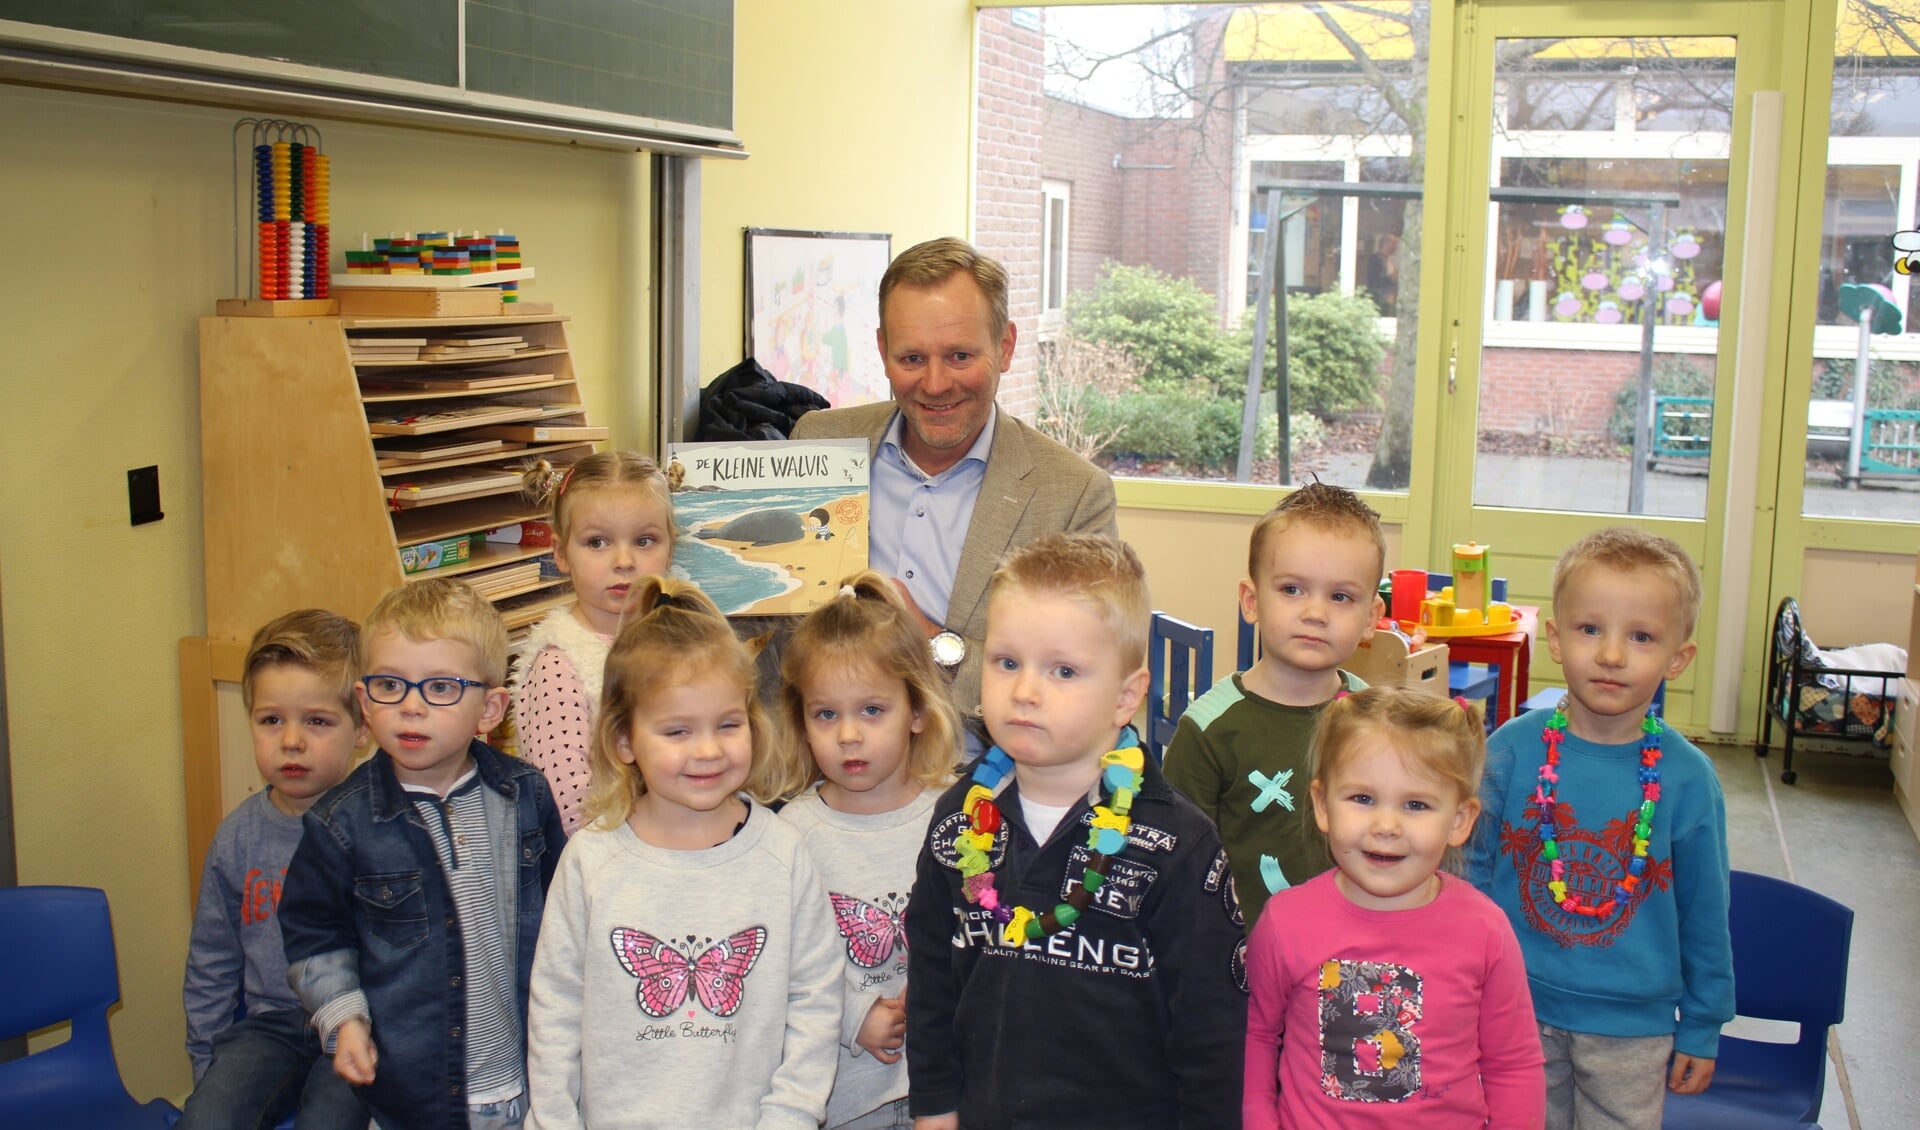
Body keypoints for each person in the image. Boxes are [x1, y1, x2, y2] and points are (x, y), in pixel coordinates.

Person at [904, 533, 1246, 1130]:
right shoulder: (960, 818)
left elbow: (1213, 1036)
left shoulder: (1179, 847)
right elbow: (932, 978)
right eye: (1006, 663)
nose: (1026, 691)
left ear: (1126, 695)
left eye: (1063, 670)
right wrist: (936, 1108)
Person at [525, 578, 844, 1130]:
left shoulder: (783, 853)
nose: (707, 750)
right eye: (676, 731)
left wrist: (790, 1117)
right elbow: (554, 1010)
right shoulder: (590, 861)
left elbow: (815, 1000)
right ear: (624, 741)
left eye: (727, 724)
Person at [792, 236, 1117, 751]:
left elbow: (1077, 687)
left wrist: (925, 639)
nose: (936, 383)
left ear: (1005, 347)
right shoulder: (818, 445)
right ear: (882, 351)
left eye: (960, 355)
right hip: (818, 773)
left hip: (976, 784)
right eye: (912, 358)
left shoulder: (1073, 495)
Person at [1467, 528, 1733, 1130]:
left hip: (1633, 1029)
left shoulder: (1689, 781)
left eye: (1641, 636)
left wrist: (1702, 1022)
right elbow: (1471, 876)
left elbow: (1705, 911)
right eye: (1591, 629)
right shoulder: (1510, 750)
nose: (1612, 655)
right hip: (1514, 1008)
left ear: (1678, 658)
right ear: (1556, 640)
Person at [279, 578, 565, 1130]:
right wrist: (345, 1017)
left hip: (527, 1081)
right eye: (390, 684)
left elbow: (565, 916)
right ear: (364, 703)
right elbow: (314, 934)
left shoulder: (525, 794)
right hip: (415, 1096)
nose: (410, 707)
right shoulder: (342, 823)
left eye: (440, 688)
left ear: (491, 708)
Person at [1243, 687, 1545, 1130]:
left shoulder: (1485, 930)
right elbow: (1257, 1038)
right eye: (1362, 799)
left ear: (1459, 820)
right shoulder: (1285, 922)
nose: (1386, 826)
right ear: (1322, 805)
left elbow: (1513, 1064)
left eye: (1416, 804)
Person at [771, 573, 963, 1130]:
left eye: (872, 710)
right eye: (826, 714)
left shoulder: (954, 818)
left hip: (951, 1087)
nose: (848, 735)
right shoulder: (794, 835)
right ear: (802, 724)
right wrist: (853, 1015)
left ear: (918, 711)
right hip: (849, 1099)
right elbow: (783, 960)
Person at [1163, 483, 1387, 928]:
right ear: (1251, 601)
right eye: (1292, 589)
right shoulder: (1208, 730)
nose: (1315, 613)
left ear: (1371, 619)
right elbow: (1176, 866)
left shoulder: (1378, 720)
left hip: (1356, 952)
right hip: (1245, 964)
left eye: (1340, 597)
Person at [180, 610, 369, 1130]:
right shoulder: (237, 837)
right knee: (206, 1120)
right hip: (271, 1027)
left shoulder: (380, 827)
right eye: (271, 720)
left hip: (358, 1023)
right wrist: (208, 1067)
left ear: (361, 729)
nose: (291, 741)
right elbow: (212, 964)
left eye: (317, 721)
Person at [513, 452, 677, 834]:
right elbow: (568, 809)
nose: (624, 560)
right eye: (598, 542)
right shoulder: (559, 665)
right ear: (560, 554)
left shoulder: (687, 640)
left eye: (644, 540)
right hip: (608, 864)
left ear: (670, 548)